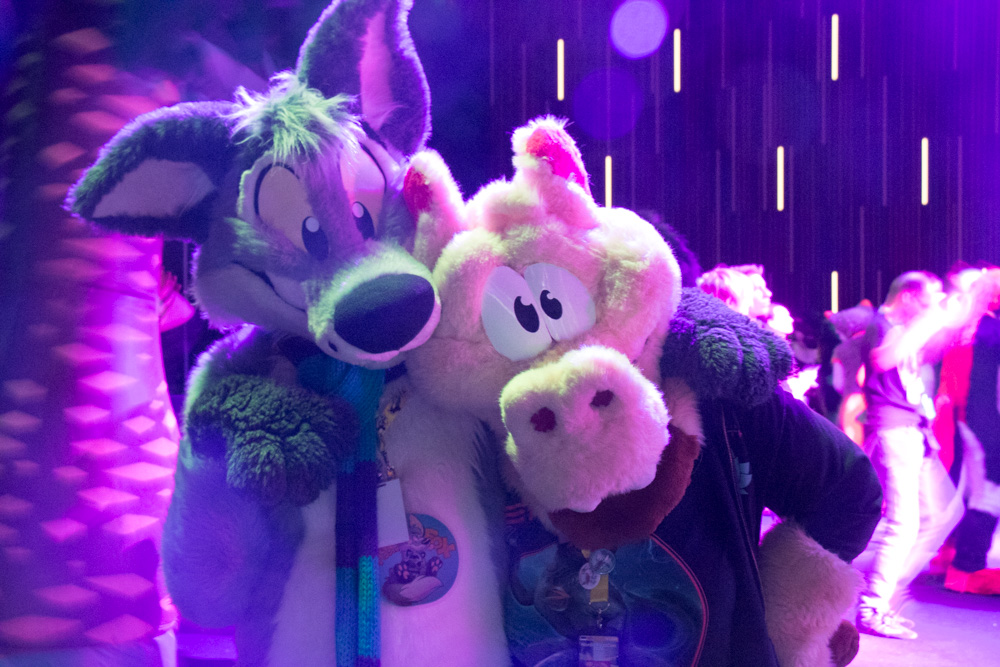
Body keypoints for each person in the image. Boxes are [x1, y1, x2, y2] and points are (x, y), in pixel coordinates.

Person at [855, 271, 966, 639]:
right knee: (903, 523)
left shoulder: (901, 327)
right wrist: (928, 321)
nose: (933, 305)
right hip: (895, 430)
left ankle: (882, 590)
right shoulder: (881, 324)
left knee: (941, 513)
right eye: (928, 298)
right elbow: (883, 360)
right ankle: (873, 604)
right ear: (908, 296)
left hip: (912, 430)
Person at [945, 269, 1000, 594]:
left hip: (970, 418)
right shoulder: (990, 329)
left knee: (981, 492)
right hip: (985, 420)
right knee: (988, 494)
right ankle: (965, 569)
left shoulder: (973, 326)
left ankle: (960, 563)